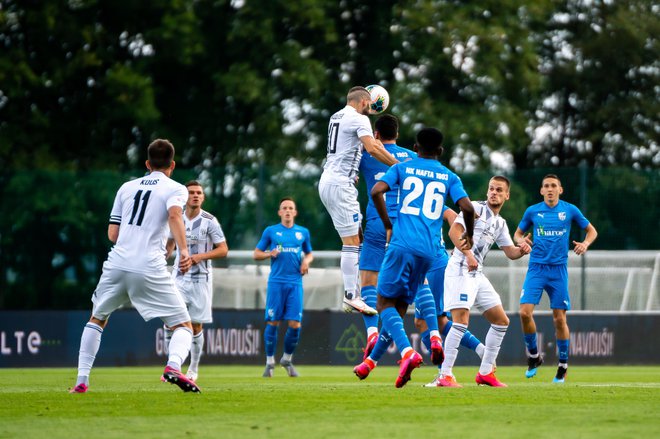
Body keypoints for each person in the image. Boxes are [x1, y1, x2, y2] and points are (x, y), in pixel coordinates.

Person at [70, 139, 200, 394]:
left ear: (147, 164)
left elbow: (113, 234)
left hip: (117, 262)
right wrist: (183, 250)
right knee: (183, 325)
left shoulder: (126, 187)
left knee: (97, 318)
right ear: (172, 165)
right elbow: (174, 215)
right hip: (149, 265)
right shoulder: (176, 189)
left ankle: (81, 381)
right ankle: (173, 366)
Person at [366, 127, 474, 388]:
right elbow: (467, 207)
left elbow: (376, 191)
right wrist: (468, 235)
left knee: (383, 302)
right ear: (440, 151)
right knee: (402, 304)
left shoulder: (403, 167)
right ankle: (390, 358)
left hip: (401, 244)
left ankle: (407, 352)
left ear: (415, 147)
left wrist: (387, 223)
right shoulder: (449, 176)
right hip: (429, 252)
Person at [435, 176, 532, 387]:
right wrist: (469, 255)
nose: (494, 193)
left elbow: (510, 253)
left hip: (476, 273)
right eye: (491, 189)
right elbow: (454, 231)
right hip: (460, 268)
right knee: (460, 321)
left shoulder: (500, 223)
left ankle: (486, 373)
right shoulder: (475, 209)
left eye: (499, 190)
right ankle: (445, 375)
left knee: (501, 321)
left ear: (507, 195)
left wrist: (522, 250)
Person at [319, 86, 398, 315]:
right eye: (370, 104)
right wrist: (398, 166)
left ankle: (355, 295)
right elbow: (372, 147)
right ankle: (351, 296)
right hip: (340, 185)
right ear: (364, 102)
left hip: (330, 181)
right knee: (352, 242)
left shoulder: (337, 116)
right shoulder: (359, 119)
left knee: (357, 237)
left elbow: (345, 148)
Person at [514, 174, 598, 383]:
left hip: (558, 270)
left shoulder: (569, 210)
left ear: (561, 190)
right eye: (546, 186)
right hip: (536, 269)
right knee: (524, 313)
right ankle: (534, 356)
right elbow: (517, 234)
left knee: (559, 318)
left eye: (554, 186)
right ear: (541, 191)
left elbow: (591, 231)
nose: (550, 189)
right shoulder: (533, 211)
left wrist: (585, 244)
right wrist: (521, 241)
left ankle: (562, 366)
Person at [357, 114, 416, 355]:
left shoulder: (365, 156)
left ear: (376, 135)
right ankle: (427, 337)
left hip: (376, 221)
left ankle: (372, 333)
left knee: (368, 281)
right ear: (398, 134)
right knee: (408, 287)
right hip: (404, 224)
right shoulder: (412, 158)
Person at [164, 180, 228, 382]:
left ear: (203, 197)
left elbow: (223, 249)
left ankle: (193, 368)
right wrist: (162, 257)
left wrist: (198, 258)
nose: (195, 196)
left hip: (201, 280)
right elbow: (169, 244)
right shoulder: (176, 218)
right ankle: (172, 367)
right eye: (191, 192)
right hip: (178, 279)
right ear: (185, 196)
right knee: (171, 323)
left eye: (199, 193)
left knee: (196, 326)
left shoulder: (210, 220)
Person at [254, 197, 313, 378]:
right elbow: (256, 254)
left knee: (295, 323)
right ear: (280, 212)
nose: (287, 211)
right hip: (276, 283)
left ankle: (287, 359)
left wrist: (306, 261)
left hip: (295, 283)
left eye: (290, 208)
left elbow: (310, 253)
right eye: (284, 208)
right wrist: (268, 254)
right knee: (273, 322)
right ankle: (269, 362)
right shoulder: (271, 231)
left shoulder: (302, 232)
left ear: (295, 212)